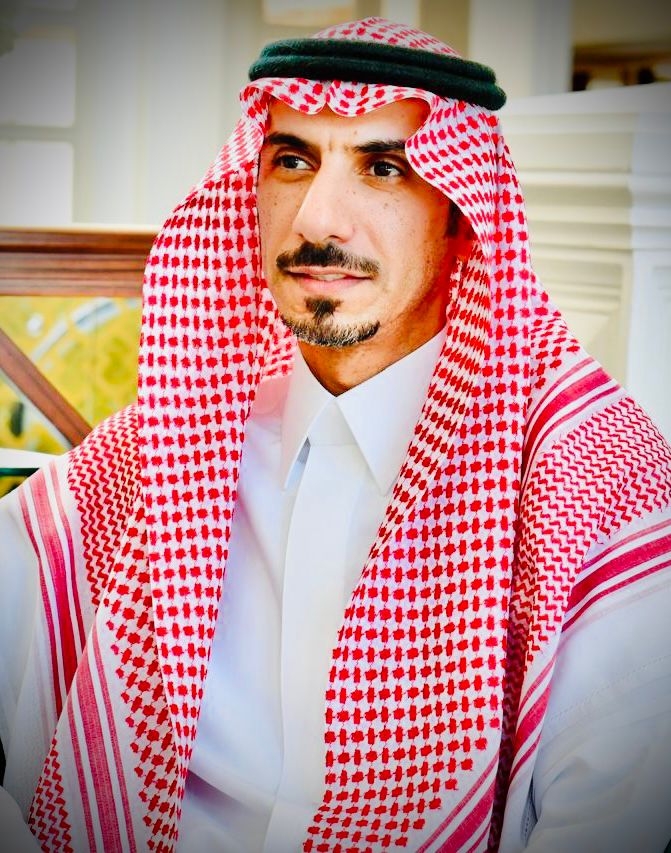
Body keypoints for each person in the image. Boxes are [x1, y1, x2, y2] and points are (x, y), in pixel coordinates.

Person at [1, 15, 670, 853]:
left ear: (459, 216)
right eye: (291, 160)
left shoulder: (596, 485)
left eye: (383, 168)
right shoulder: (169, 449)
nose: (318, 221)